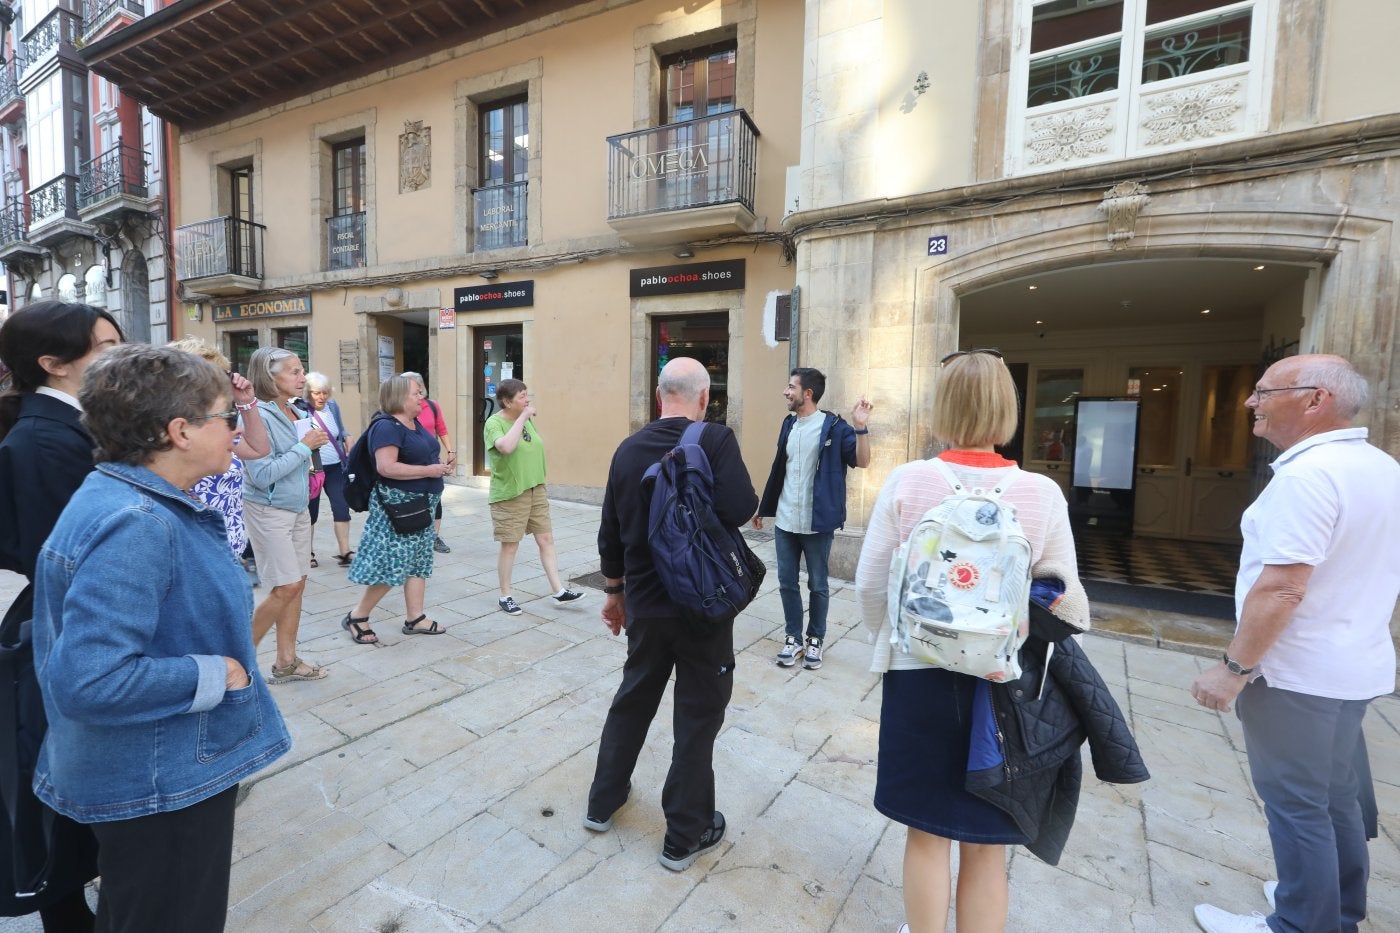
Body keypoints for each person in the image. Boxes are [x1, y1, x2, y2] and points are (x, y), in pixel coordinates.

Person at [31, 344, 290, 932]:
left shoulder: (132, 499)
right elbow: (90, 680)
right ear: (180, 431)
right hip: (159, 781)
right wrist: (219, 672)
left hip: (155, 770)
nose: (235, 429)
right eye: (226, 416)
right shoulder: (137, 522)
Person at [853, 349, 1091, 933]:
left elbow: (870, 583)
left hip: (919, 674)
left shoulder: (911, 480)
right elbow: (1067, 601)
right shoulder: (1041, 492)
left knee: (926, 831)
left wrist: (893, 642)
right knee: (987, 845)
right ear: (1008, 409)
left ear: (942, 407)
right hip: (1004, 685)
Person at [1190, 355, 1400, 933]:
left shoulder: (1308, 476)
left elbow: (1282, 587)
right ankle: (1336, 907)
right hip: (1354, 663)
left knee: (1296, 803)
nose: (1250, 401)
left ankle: (1303, 922)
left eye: (1264, 392)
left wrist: (1233, 669)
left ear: (1314, 400)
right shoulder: (1381, 466)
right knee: (1334, 795)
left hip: (1297, 673)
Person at [583, 357, 758, 871]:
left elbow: (611, 531)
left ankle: (602, 802)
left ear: (659, 396)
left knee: (633, 699)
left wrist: (614, 592)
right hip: (703, 604)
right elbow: (742, 507)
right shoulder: (715, 440)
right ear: (704, 398)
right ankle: (685, 833)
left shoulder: (627, 448)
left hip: (645, 604)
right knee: (698, 716)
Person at [0, 300, 120, 931]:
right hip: (70, 627)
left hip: (76, 621)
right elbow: (65, 556)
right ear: (53, 363)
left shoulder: (71, 425)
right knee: (60, 800)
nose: (119, 356)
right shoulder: (44, 439)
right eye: (105, 348)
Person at [754, 367, 873, 670]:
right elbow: (779, 469)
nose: (785, 392)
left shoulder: (835, 427)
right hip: (786, 519)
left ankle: (815, 639)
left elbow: (862, 461)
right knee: (786, 582)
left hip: (817, 522)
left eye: (791, 387)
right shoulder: (788, 424)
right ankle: (793, 638)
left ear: (807, 393)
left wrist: (860, 427)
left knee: (818, 584)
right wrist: (764, 507)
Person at [242, 347, 330, 684]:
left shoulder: (293, 409)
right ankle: (237, 661)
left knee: (297, 585)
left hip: (297, 507)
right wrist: (305, 446)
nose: (302, 377)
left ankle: (286, 661)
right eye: (293, 371)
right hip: (269, 510)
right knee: (286, 586)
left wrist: (309, 448)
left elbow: (297, 459)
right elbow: (262, 475)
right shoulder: (256, 416)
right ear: (269, 376)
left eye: (302, 370)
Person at [342, 375, 453, 643]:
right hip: (398, 508)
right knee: (393, 565)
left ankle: (415, 617)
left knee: (418, 562)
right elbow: (386, 467)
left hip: (421, 505)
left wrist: (438, 468)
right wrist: (430, 470)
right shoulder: (386, 427)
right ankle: (357, 616)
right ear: (399, 397)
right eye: (416, 393)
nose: (421, 397)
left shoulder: (413, 422)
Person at [483, 378, 583, 615]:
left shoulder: (526, 419)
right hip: (510, 492)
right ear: (507, 402)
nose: (527, 401)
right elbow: (506, 447)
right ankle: (505, 595)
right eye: (522, 397)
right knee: (510, 545)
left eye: (527, 395)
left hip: (535, 489)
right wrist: (523, 417)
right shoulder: (494, 423)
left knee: (546, 539)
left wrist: (524, 417)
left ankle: (559, 591)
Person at [171, 337, 271, 560]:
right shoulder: (173, 432)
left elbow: (259, 450)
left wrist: (246, 403)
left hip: (229, 551)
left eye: (220, 379)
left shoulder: (215, 425)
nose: (217, 389)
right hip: (198, 557)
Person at [304, 371, 355, 567]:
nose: (322, 397)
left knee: (342, 507)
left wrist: (347, 436)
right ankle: (307, 553)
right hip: (313, 469)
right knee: (311, 511)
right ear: (308, 392)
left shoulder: (332, 406)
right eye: (317, 393)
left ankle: (344, 552)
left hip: (335, 466)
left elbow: (340, 429)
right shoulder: (300, 408)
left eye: (325, 392)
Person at [402, 372, 454, 554]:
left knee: (435, 498)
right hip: (412, 462)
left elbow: (442, 429)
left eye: (417, 389)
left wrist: (450, 451)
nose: (417, 394)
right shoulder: (401, 410)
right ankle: (415, 534)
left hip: (432, 460)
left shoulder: (432, 406)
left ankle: (434, 536)